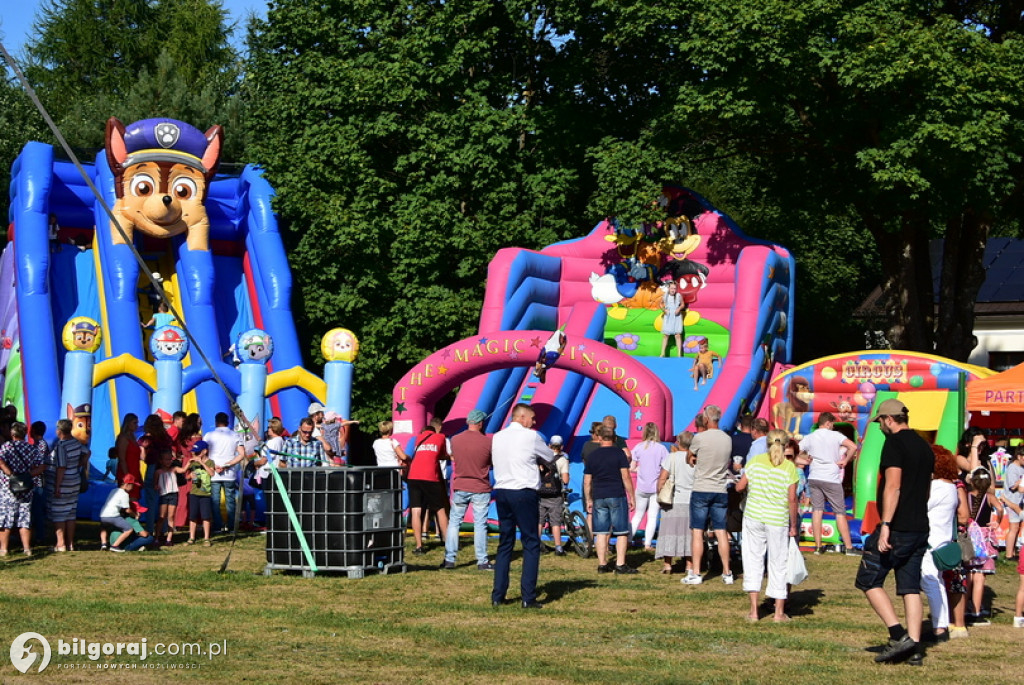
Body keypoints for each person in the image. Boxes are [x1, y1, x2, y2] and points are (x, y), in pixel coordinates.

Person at [854, 399, 934, 665]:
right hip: (919, 526)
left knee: (868, 579)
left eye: (881, 423)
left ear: (889, 419)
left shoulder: (895, 444)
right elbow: (926, 490)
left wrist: (886, 525)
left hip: (897, 526)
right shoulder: (924, 446)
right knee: (910, 587)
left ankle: (899, 635)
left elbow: (893, 486)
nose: (880, 427)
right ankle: (915, 649)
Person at [490, 404, 555, 608]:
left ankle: (498, 595)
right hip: (523, 490)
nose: (534, 422)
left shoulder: (498, 436)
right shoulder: (531, 436)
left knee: (505, 543)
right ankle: (528, 596)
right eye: (532, 418)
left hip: (502, 490)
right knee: (530, 542)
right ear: (522, 417)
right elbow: (550, 456)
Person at [735, 429, 799, 622]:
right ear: (786, 445)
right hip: (777, 519)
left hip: (754, 516)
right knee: (779, 563)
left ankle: (754, 611)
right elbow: (792, 499)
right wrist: (793, 525)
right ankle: (779, 612)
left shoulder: (755, 462)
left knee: (752, 559)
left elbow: (739, 486)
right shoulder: (789, 468)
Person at [684, 405, 735, 585]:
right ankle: (727, 572)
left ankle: (696, 572)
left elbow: (689, 457)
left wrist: (694, 460)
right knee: (721, 531)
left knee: (697, 531)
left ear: (706, 419)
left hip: (701, 487)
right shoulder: (727, 439)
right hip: (720, 488)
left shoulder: (700, 438)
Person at [799, 412, 860, 555]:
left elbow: (796, 451)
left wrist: (805, 460)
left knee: (817, 510)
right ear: (827, 423)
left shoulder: (810, 437)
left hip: (815, 477)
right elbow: (853, 447)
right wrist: (845, 461)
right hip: (831, 477)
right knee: (840, 512)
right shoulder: (836, 436)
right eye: (832, 424)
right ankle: (849, 547)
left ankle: (818, 546)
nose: (832, 426)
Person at [442, 410, 493, 570]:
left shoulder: (455, 440)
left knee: (454, 523)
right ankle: (482, 560)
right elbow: (491, 462)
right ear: (480, 423)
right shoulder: (487, 442)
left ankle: (449, 559)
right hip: (480, 486)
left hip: (460, 485)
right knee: (480, 524)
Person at [919, 445, 960, 642]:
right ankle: (941, 624)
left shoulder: (937, 487)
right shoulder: (951, 487)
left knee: (930, 583)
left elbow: (920, 507)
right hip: (941, 542)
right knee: (938, 583)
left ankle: (938, 627)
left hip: (929, 543)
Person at [585, 425, 638, 574]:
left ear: (599, 438)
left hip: (599, 496)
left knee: (601, 531)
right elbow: (625, 476)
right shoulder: (619, 454)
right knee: (621, 531)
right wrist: (632, 496)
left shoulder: (592, 456)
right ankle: (620, 564)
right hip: (616, 494)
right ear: (615, 439)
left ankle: (602, 564)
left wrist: (589, 499)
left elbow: (587, 480)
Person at [963, 467, 1003, 626]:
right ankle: (976, 611)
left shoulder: (965, 496)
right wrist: (997, 521)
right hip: (984, 539)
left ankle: (963, 608)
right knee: (980, 577)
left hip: (967, 538)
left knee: (968, 576)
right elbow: (1000, 509)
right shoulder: (989, 497)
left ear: (972, 481)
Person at [0, 422, 46, 556]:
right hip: (26, 487)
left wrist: (11, 474)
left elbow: (0, 461)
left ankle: (3, 549)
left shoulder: (6, 446)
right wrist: (28, 475)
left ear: (12, 433)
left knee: (6, 519)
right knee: (25, 518)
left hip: (7, 488)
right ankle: (27, 548)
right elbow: (42, 466)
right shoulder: (31, 449)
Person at [656, 431, 696, 574]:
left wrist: (659, 491)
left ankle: (668, 564)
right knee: (689, 533)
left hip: (673, 499)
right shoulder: (695, 459)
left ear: (679, 442)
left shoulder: (671, 457)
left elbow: (662, 477)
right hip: (690, 499)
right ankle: (689, 564)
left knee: (669, 531)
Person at [46, 418, 89, 551]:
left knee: (59, 514)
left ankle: (60, 544)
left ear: (59, 431)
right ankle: (70, 543)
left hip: (63, 483)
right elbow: (87, 452)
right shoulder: (75, 442)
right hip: (74, 481)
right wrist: (79, 464)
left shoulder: (61, 446)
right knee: (70, 513)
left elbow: (61, 467)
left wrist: (57, 487)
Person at [203, 412, 245, 534]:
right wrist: (228, 464)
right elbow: (241, 454)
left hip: (213, 471)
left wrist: (214, 465)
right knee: (230, 500)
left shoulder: (209, 435)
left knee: (215, 501)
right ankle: (231, 526)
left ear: (216, 422)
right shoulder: (235, 435)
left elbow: (204, 454)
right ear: (228, 422)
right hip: (229, 472)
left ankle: (217, 526)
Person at [630, 422, 669, 550]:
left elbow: (632, 467)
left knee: (638, 515)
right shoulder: (661, 448)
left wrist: (640, 470)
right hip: (655, 487)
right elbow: (666, 467)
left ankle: (629, 539)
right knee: (652, 516)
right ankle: (647, 543)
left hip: (641, 487)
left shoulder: (639, 447)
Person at [99, 474, 156, 552]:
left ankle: (104, 544)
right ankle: (115, 546)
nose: (132, 488)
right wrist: (135, 515)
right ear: (128, 484)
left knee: (103, 528)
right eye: (132, 486)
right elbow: (127, 510)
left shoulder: (114, 490)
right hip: (113, 515)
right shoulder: (124, 494)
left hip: (103, 515)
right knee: (129, 529)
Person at [537, 434, 570, 556]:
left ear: (549, 445)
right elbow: (565, 480)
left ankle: (536, 544)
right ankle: (558, 547)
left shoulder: (541, 458)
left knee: (539, 521)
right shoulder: (563, 460)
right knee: (555, 521)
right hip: (555, 495)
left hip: (541, 493)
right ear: (561, 446)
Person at [155, 448, 186, 546]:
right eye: (166, 460)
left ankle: (169, 538)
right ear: (161, 460)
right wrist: (156, 486)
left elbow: (183, 470)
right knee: (161, 517)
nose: (168, 462)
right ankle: (157, 537)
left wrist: (189, 462)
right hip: (164, 495)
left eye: (170, 460)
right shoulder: (158, 472)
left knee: (171, 516)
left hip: (173, 494)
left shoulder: (174, 470)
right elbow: (154, 484)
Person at [186, 441, 214, 546]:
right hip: (194, 493)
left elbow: (212, 473)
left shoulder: (210, 462)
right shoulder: (193, 463)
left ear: (205, 451)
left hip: (205, 494)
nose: (195, 455)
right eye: (195, 453)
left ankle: (206, 538)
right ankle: (191, 537)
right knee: (192, 516)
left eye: (197, 453)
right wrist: (190, 476)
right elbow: (186, 477)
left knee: (206, 516)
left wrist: (202, 462)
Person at [1001, 445, 1024, 561]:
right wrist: (1022, 480)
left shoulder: (1021, 468)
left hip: (1019, 501)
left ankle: (1013, 551)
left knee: (1017, 528)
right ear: (1019, 456)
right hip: (1012, 501)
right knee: (1013, 527)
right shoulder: (1012, 468)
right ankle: (1009, 554)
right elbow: (1013, 486)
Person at [115, 413, 143, 485]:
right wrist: (127, 475)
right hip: (126, 473)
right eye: (134, 423)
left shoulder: (133, 438)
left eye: (137, 423)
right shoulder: (123, 438)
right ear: (128, 423)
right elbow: (122, 459)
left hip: (135, 472)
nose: (137, 425)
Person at [659, 280, 684, 358]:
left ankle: (679, 354)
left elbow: (683, 304)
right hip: (669, 316)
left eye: (674, 288)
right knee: (666, 335)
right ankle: (662, 353)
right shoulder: (665, 295)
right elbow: (660, 304)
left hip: (676, 316)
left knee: (678, 335)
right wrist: (664, 310)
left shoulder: (679, 295)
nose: (673, 290)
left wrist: (679, 308)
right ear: (668, 288)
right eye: (672, 288)